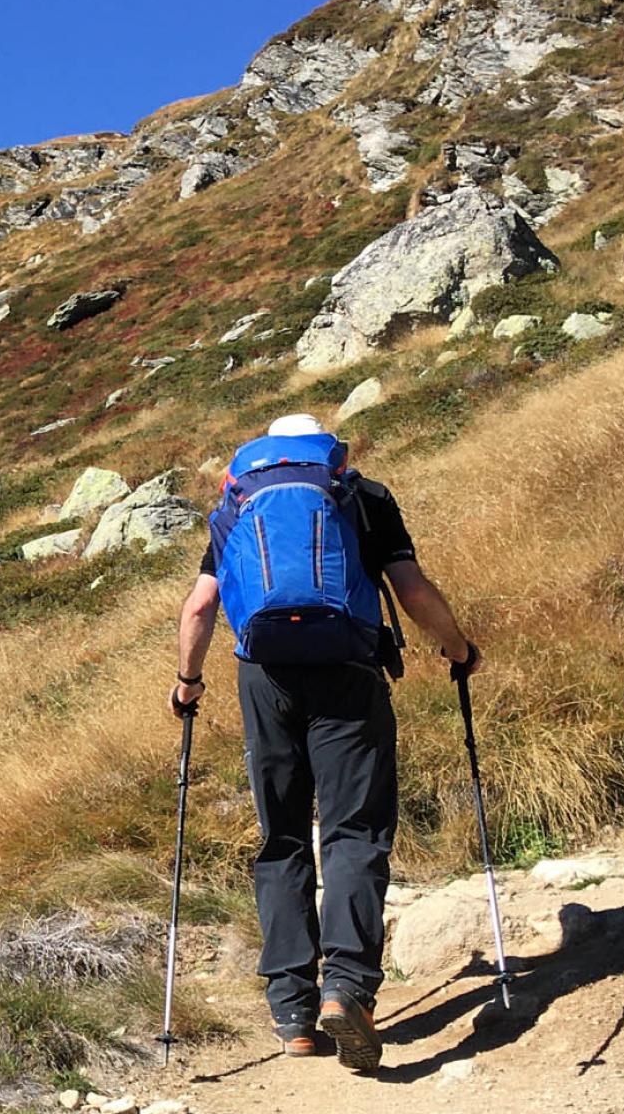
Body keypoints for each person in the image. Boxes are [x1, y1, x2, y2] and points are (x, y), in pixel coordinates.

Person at [168, 414, 478, 1072]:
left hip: (264, 679)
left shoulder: (233, 504)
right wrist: (458, 648)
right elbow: (410, 587)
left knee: (280, 838)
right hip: (348, 671)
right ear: (327, 450)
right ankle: (348, 989)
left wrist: (187, 683)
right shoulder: (360, 495)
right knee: (353, 832)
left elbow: (198, 608)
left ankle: (291, 1013)